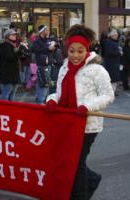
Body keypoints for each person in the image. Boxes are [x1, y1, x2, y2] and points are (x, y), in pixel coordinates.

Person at [46, 24, 115, 200]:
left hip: (87, 125)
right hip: (66, 123)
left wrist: (86, 107)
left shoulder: (97, 70)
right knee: (72, 162)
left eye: (80, 51)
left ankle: (79, 196)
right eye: (72, 51)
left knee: (76, 163)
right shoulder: (64, 68)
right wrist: (51, 100)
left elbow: (108, 95)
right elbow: (60, 93)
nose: (75, 55)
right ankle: (92, 180)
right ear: (67, 50)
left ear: (87, 50)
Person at [0, 29, 20, 101]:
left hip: (14, 74)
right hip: (7, 74)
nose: (15, 36)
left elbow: (15, 58)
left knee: (12, 94)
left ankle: (10, 110)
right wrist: (17, 52)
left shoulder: (13, 45)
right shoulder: (4, 46)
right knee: (6, 94)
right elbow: (8, 57)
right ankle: (2, 110)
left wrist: (20, 54)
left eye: (15, 34)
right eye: (13, 34)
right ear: (7, 36)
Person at [34, 25, 56, 104]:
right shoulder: (37, 41)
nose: (48, 31)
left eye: (48, 30)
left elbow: (50, 50)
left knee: (41, 82)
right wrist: (48, 48)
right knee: (45, 83)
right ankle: (41, 101)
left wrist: (53, 48)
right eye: (46, 30)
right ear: (42, 32)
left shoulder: (48, 39)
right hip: (42, 63)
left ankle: (38, 98)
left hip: (49, 62)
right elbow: (36, 50)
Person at [103, 29, 122, 95]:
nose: (117, 36)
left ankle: (112, 91)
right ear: (112, 36)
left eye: (117, 35)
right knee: (112, 78)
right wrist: (119, 53)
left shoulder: (112, 42)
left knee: (114, 78)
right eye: (116, 35)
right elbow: (110, 53)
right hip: (111, 63)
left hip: (113, 63)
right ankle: (111, 92)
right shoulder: (110, 42)